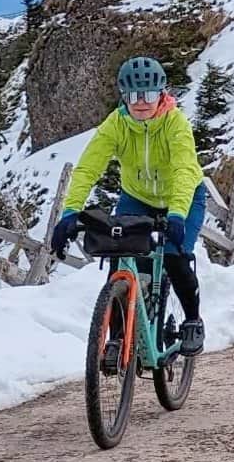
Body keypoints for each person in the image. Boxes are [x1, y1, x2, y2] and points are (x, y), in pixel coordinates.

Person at [50, 56, 207, 355]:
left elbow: (184, 170)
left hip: (185, 197)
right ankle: (118, 337)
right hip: (137, 197)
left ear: (161, 92)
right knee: (119, 257)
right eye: (133, 95)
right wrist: (70, 212)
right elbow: (88, 168)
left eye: (148, 94)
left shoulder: (176, 123)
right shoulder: (117, 124)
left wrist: (176, 214)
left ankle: (192, 320)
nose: (141, 102)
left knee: (175, 258)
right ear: (124, 96)